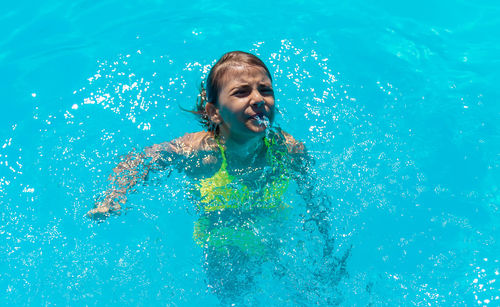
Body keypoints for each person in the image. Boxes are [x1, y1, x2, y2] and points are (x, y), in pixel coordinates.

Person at [87, 51, 343, 303]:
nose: (258, 99)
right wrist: (114, 196)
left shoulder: (287, 149)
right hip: (221, 238)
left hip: (273, 230)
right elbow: (141, 159)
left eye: (265, 90)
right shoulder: (201, 152)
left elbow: (314, 198)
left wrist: (326, 243)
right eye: (242, 92)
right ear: (214, 112)